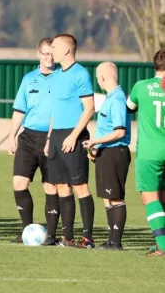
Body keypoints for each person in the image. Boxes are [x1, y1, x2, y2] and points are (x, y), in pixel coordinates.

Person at [44, 34, 95, 248]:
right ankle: (68, 237)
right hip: (56, 136)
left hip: (73, 135)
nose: (51, 51)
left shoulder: (80, 74)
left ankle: (88, 238)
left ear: (66, 50)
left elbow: (90, 108)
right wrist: (49, 138)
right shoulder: (55, 75)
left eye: (54, 47)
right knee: (62, 186)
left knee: (79, 186)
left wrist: (74, 136)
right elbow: (55, 111)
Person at [8, 38, 60, 245]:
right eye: (45, 53)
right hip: (28, 137)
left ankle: (52, 236)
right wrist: (12, 136)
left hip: (52, 138)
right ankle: (27, 231)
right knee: (19, 184)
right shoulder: (29, 79)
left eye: (52, 53)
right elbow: (19, 110)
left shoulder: (62, 79)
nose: (48, 57)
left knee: (51, 187)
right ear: (38, 53)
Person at [81, 62, 131, 250]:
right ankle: (111, 240)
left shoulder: (117, 98)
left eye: (97, 76)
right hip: (105, 151)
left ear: (103, 77)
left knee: (116, 197)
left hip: (115, 152)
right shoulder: (111, 97)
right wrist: (97, 147)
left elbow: (119, 132)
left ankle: (116, 242)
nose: (96, 79)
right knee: (107, 197)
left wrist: (94, 142)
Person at [126, 49, 165, 257]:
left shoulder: (141, 86)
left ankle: (162, 246)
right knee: (162, 198)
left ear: (154, 65)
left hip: (150, 152)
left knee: (150, 198)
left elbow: (129, 107)